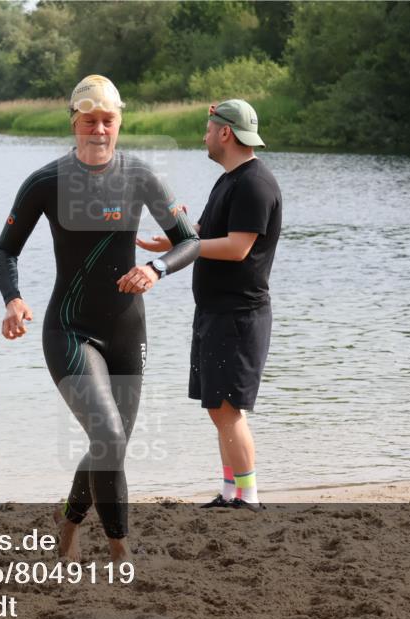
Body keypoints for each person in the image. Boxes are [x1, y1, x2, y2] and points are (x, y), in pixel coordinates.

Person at [0, 75, 199, 561]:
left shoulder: (141, 176)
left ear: (120, 122)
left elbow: (189, 240)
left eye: (108, 121)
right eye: (90, 121)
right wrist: (12, 299)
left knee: (113, 444)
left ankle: (67, 524)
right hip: (68, 328)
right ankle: (120, 551)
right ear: (74, 123)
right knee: (107, 435)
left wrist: (156, 268)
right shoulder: (46, 182)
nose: (99, 130)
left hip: (127, 329)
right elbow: (5, 251)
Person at [138, 99, 281, 511]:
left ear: (225, 133)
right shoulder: (230, 179)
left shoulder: (255, 183)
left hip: (239, 315)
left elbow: (237, 248)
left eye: (208, 128)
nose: (203, 136)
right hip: (215, 312)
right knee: (218, 408)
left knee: (229, 408)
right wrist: (165, 240)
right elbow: (202, 231)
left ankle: (249, 497)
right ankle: (230, 491)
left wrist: (187, 248)